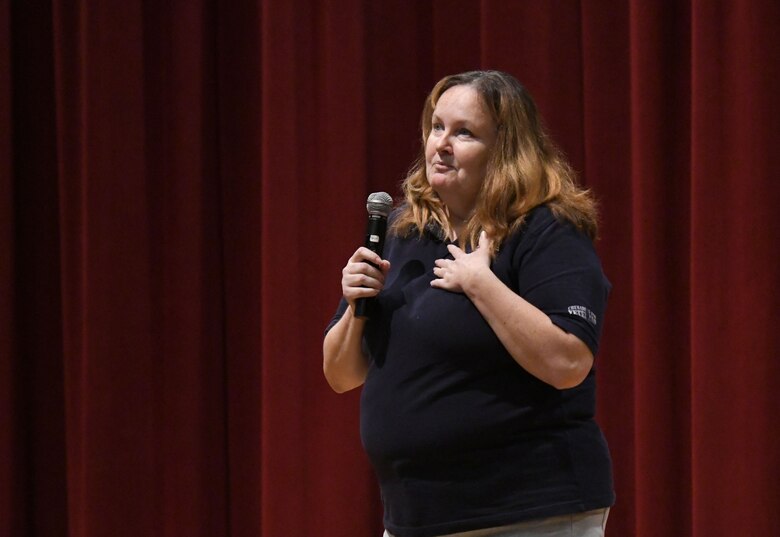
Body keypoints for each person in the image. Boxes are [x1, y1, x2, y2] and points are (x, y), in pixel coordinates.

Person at [323, 70, 614, 537]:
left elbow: (568, 361)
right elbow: (340, 375)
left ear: (505, 150)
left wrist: (482, 284)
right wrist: (354, 304)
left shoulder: (545, 229)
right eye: (437, 127)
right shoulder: (403, 233)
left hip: (528, 513)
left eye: (464, 132)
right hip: (416, 518)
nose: (441, 143)